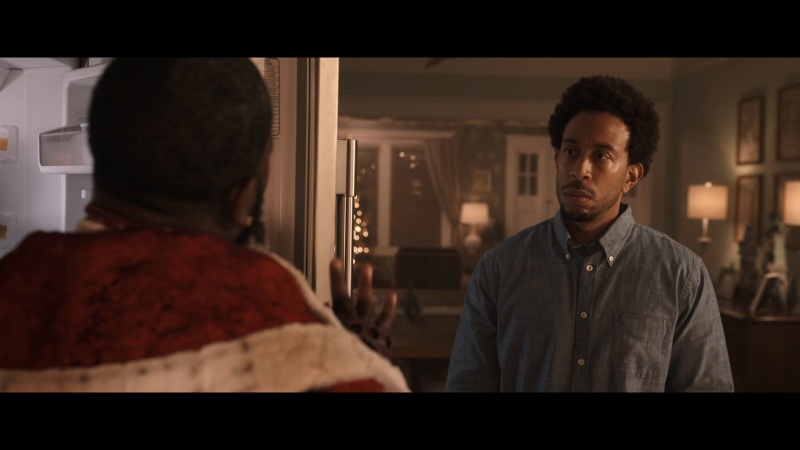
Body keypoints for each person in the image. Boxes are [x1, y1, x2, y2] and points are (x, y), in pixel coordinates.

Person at [0, 58, 409, 392]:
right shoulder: (289, 336)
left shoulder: (17, 283)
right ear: (242, 199)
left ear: (98, 154)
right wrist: (354, 357)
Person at [446, 75, 734, 392]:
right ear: (557, 159)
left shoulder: (681, 275)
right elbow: (468, 385)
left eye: (601, 156)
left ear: (631, 176)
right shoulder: (499, 269)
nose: (579, 169)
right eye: (570, 151)